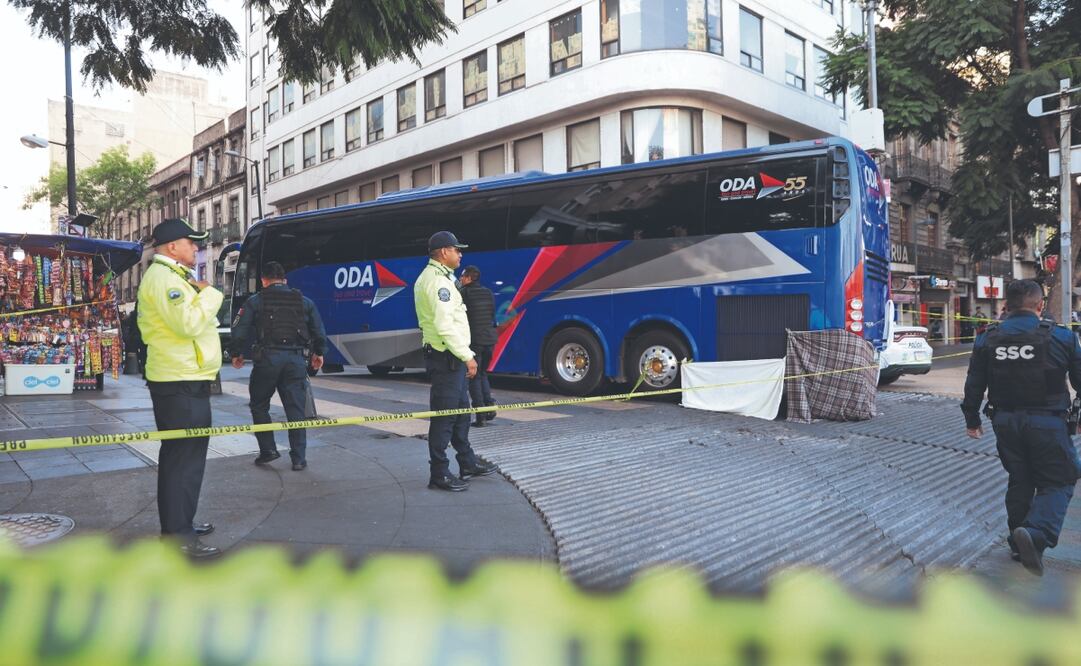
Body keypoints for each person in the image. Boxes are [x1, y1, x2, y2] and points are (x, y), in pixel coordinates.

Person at [961, 279, 1081, 576]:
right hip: (1048, 423)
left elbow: (974, 384)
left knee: (1021, 478)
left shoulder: (987, 337)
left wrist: (971, 420)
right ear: (1040, 305)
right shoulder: (1062, 337)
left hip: (1005, 423)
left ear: (1006, 306)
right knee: (1060, 479)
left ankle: (1019, 544)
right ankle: (1036, 533)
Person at [137, 218, 224, 559]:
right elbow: (188, 323)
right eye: (192, 242)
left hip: (185, 378)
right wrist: (212, 294)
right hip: (179, 381)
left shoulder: (171, 276)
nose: (197, 248)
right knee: (183, 461)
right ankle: (178, 535)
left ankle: (180, 522)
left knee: (183, 459)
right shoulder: (164, 279)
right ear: (173, 246)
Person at [414, 231, 497, 491]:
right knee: (445, 417)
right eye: (456, 249)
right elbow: (444, 325)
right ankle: (438, 474)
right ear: (443, 252)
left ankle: (467, 462)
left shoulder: (442, 278)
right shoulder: (438, 283)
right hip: (447, 358)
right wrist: (467, 356)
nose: (460, 254)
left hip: (451, 358)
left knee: (461, 414)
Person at [229, 261, 327, 471]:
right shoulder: (304, 301)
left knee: (259, 404)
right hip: (295, 360)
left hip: (267, 360)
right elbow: (318, 330)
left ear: (263, 281)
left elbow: (239, 330)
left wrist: (236, 354)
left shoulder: (255, 301)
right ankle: (299, 458)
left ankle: (268, 450)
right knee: (296, 409)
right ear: (284, 280)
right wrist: (319, 353)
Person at [458, 265, 498, 427]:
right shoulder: (488, 292)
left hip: (474, 340)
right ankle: (489, 407)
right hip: (490, 339)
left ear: (468, 278)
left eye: (462, 277)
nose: (460, 279)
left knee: (473, 376)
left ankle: (480, 415)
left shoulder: (464, 293)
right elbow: (492, 314)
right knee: (482, 374)